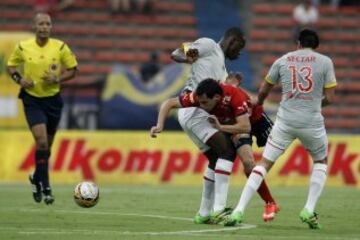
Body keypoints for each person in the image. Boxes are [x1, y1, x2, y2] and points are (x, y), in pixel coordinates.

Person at [223, 29, 337, 229]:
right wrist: (313, 104)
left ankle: (238, 210)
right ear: (315, 46)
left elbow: (264, 89)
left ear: (298, 43)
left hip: (285, 121)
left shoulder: (283, 60)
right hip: (311, 121)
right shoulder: (325, 62)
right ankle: (309, 209)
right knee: (321, 161)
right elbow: (330, 98)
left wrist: (258, 102)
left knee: (264, 164)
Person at [150, 79, 279, 222]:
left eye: (205, 103)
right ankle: (269, 203)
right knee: (248, 164)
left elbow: (245, 126)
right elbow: (169, 103)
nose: (201, 107)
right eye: (200, 103)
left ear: (217, 98)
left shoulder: (234, 96)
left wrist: (220, 128)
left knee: (276, 149)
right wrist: (159, 125)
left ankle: (211, 211)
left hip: (253, 120)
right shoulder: (199, 97)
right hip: (232, 125)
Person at [7, 13, 78, 204]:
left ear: (51, 27)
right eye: (41, 23)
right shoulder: (23, 47)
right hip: (32, 100)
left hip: (53, 101)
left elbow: (73, 70)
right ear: (35, 26)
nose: (44, 27)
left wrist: (57, 79)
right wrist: (19, 80)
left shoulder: (60, 47)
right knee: (41, 142)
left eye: (48, 23)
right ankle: (46, 187)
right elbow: (11, 66)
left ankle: (35, 178)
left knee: (47, 149)